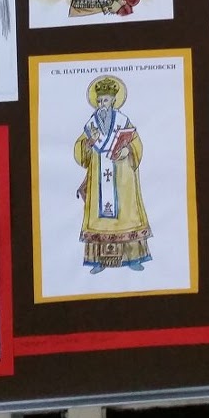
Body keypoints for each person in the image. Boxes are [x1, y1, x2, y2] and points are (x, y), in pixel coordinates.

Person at [74, 76, 151, 274]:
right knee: (99, 219)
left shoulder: (123, 121)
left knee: (127, 215)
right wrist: (88, 145)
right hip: (99, 179)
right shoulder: (92, 124)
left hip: (123, 178)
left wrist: (128, 150)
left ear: (114, 100)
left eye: (105, 100)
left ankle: (133, 258)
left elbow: (137, 144)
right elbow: (80, 149)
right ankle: (98, 261)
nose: (102, 104)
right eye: (99, 101)